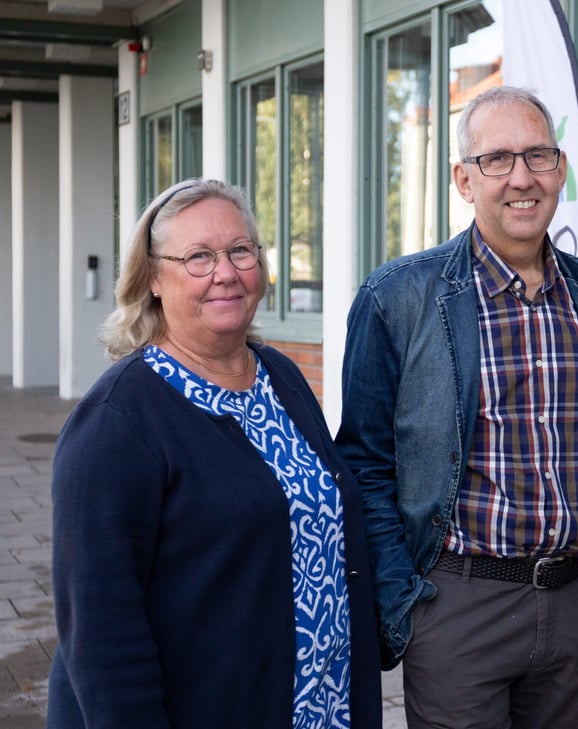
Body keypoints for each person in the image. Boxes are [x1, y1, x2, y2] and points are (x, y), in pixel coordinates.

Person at [335, 85, 578, 729]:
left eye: (538, 156)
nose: (521, 178)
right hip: (456, 605)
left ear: (560, 169)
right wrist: (407, 605)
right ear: (463, 178)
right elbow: (364, 463)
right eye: (497, 159)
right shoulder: (397, 298)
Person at [46, 179, 382, 728]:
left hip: (322, 707)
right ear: (153, 278)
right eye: (198, 257)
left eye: (240, 251)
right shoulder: (118, 421)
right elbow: (100, 630)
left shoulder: (281, 378)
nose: (225, 273)